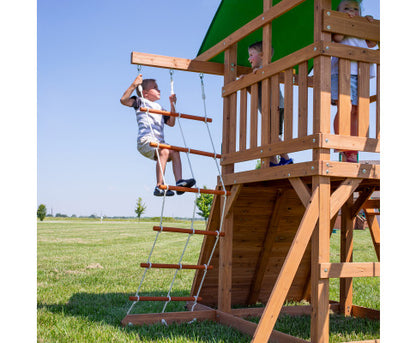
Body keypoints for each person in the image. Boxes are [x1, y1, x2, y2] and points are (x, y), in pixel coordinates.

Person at [120, 74, 195, 196]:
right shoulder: (140, 102)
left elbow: (171, 122)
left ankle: (179, 182)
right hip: (145, 142)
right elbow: (123, 100)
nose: (159, 89)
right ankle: (159, 186)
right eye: (155, 87)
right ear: (145, 93)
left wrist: (172, 105)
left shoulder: (160, 108)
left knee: (175, 151)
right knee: (165, 150)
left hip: (159, 144)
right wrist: (134, 84)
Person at [331, 0, 378, 162]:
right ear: (338, 12)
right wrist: (345, 20)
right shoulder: (339, 26)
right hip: (342, 73)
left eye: (356, 9)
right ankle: (343, 144)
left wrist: (368, 24)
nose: (352, 11)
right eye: (346, 8)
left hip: (360, 74)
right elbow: (337, 37)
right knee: (346, 107)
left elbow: (372, 42)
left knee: (358, 109)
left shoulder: (360, 29)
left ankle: (354, 145)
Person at [247, 41, 293, 166]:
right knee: (267, 136)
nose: (249, 58)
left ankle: (286, 159)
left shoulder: (267, 69)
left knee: (272, 135)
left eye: (251, 55)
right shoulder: (258, 72)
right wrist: (246, 81)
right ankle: (272, 162)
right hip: (268, 109)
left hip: (275, 106)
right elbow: (254, 91)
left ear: (262, 55)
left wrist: (254, 75)